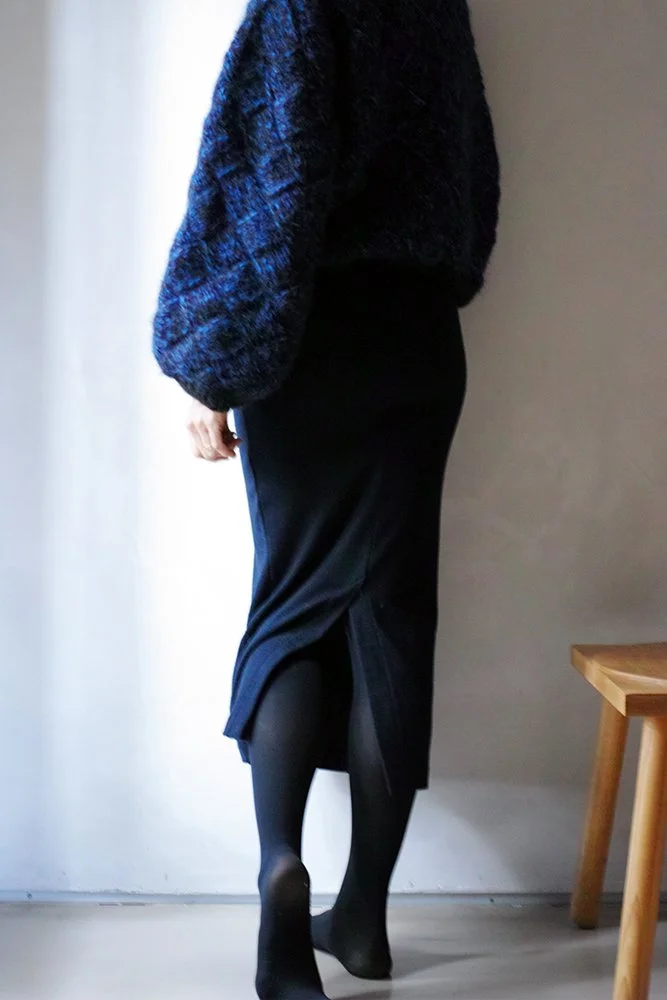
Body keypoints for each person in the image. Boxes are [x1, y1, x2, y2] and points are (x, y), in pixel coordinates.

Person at [153, 0, 500, 997]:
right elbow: (471, 177)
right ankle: (362, 917)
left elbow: (264, 180)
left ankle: (280, 868)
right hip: (420, 341)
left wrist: (212, 367)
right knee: (391, 618)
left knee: (293, 607)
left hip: (315, 344)